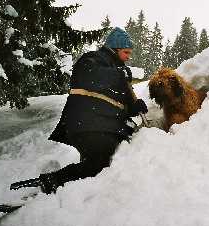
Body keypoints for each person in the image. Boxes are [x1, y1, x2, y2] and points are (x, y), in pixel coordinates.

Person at [38, 27, 148, 194]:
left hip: (101, 126)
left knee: (100, 162)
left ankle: (76, 190)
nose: (128, 57)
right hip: (87, 124)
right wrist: (120, 74)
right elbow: (87, 76)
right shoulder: (93, 59)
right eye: (126, 52)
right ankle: (53, 181)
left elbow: (119, 107)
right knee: (99, 163)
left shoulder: (119, 75)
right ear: (114, 49)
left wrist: (134, 107)